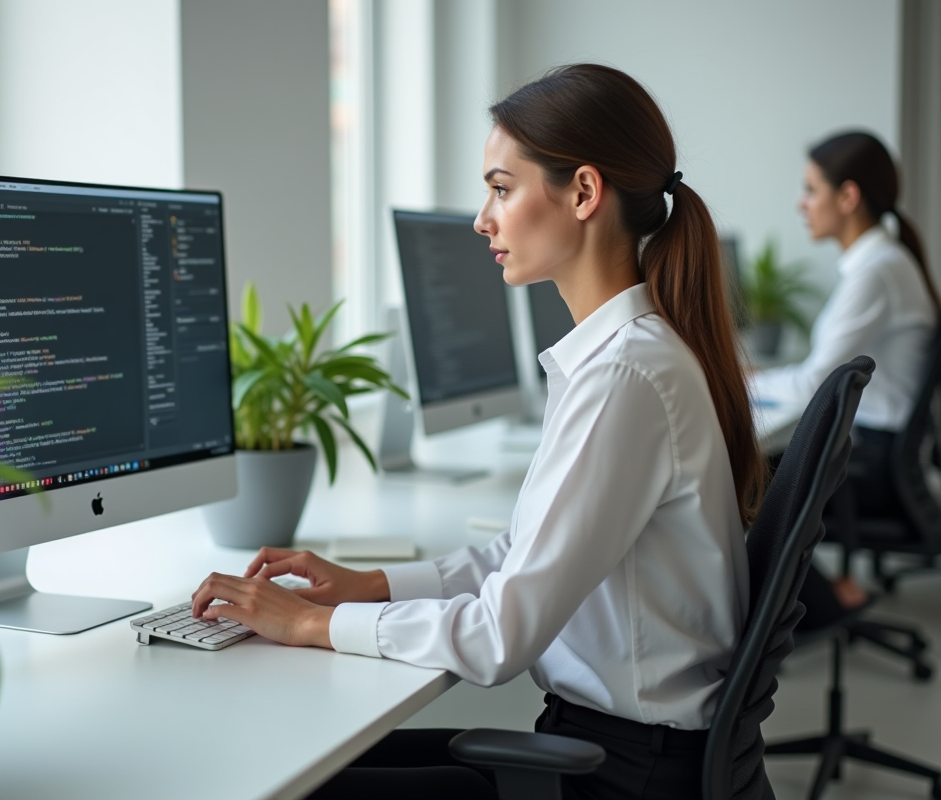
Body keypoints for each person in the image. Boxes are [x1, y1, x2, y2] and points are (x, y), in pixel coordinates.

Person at [190, 63, 766, 800]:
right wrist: (368, 585)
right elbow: (523, 552)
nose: (481, 219)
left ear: (584, 193)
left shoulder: (626, 378)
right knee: (310, 767)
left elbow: (498, 638)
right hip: (613, 749)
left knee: (290, 779)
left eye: (501, 188)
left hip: (623, 773)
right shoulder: (621, 359)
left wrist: (308, 626)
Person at [752, 132, 939, 625]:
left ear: (848, 196)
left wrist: (742, 384)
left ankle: (819, 605)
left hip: (876, 467)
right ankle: (825, 593)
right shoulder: (884, 262)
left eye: (812, 190)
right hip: (889, 454)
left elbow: (819, 386)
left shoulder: (876, 271)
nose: (802, 203)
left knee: (744, 479)